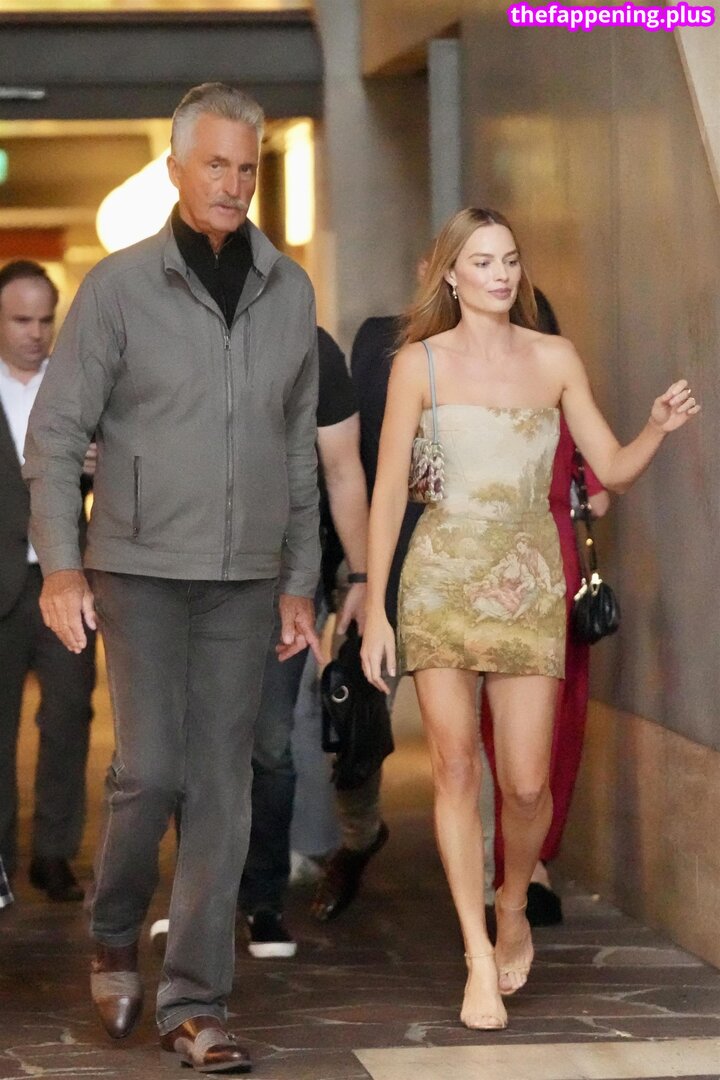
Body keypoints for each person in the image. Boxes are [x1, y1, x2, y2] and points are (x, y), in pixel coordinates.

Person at [23, 83, 321, 1073]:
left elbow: (296, 446)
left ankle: (195, 1001)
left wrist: (298, 578)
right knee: (149, 770)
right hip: (139, 569)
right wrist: (62, 567)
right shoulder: (118, 289)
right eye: (214, 165)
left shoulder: (290, 291)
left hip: (245, 579)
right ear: (176, 169)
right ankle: (114, 931)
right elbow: (56, 437)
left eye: (247, 167)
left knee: (222, 788)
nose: (232, 184)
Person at [360, 206, 700, 1032]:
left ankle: (512, 897)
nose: (501, 275)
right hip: (439, 580)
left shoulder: (554, 358)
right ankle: (477, 955)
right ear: (451, 274)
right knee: (454, 770)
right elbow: (387, 493)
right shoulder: (417, 365)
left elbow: (610, 469)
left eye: (509, 259)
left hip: (527, 582)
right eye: (482, 262)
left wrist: (655, 428)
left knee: (526, 784)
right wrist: (374, 609)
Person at [238, 325, 369, 958]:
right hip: (188, 574)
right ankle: (203, 899)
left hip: (288, 576)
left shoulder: (308, 345)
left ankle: (263, 901)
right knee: (193, 744)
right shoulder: (175, 330)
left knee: (271, 743)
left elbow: (343, 471)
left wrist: (361, 576)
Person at [480, 290, 610, 927]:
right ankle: (529, 867)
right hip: (539, 574)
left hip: (510, 577)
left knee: (505, 728)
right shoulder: (558, 396)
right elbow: (599, 497)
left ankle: (515, 867)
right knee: (554, 727)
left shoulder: (490, 396)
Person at [310, 313, 421, 922]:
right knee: (354, 719)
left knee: (475, 739)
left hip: (480, 568)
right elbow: (350, 462)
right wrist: (359, 573)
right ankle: (358, 839)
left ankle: (497, 880)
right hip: (383, 561)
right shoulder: (378, 341)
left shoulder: (527, 340)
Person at [0, 260, 96, 903]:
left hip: (66, 580)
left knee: (68, 717)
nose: (36, 333)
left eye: (45, 320)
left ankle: (54, 854)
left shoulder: (78, 386)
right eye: (21, 320)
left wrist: (98, 464)